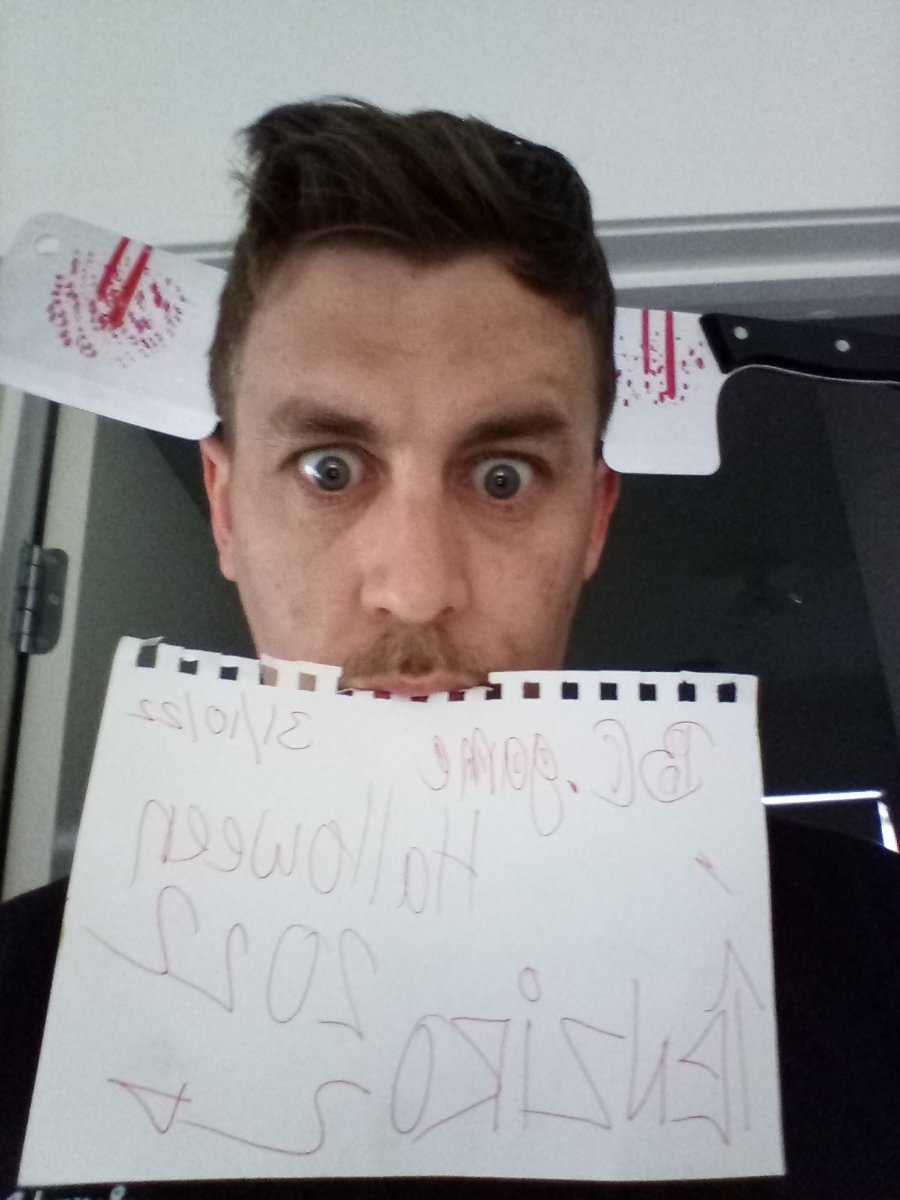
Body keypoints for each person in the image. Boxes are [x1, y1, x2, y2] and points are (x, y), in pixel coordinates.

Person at [2, 99, 899, 1199]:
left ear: (594, 522)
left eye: (503, 477)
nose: (417, 588)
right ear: (227, 513)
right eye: (331, 469)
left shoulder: (875, 963)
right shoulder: (18, 1008)